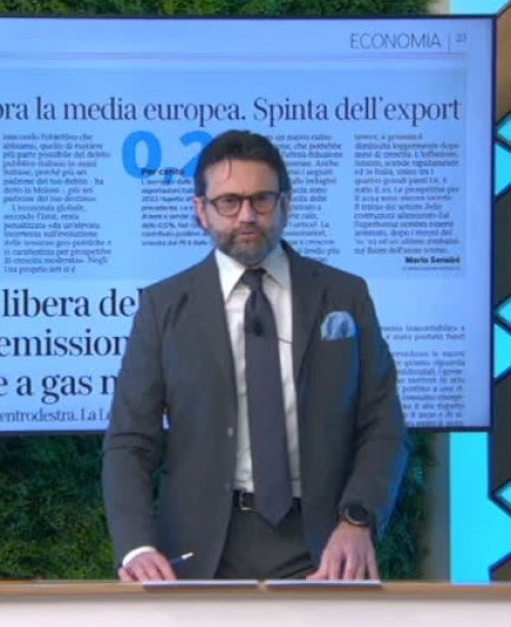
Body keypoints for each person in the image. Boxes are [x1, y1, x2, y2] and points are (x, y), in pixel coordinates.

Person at [102, 129, 408, 582]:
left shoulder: (345, 295)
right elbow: (130, 440)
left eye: (261, 199)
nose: (247, 215)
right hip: (197, 554)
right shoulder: (163, 307)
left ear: (286, 204)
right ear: (201, 211)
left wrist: (358, 521)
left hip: (325, 551)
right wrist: (137, 546)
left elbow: (383, 424)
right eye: (229, 201)